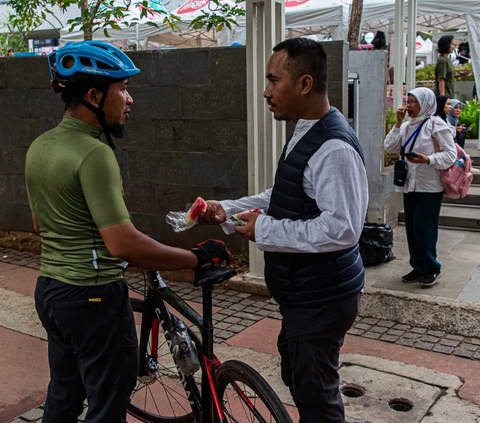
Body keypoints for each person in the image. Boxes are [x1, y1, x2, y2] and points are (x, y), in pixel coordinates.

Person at [25, 41, 229, 423]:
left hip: (51, 291)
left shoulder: (40, 146)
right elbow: (122, 244)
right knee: (107, 404)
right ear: (93, 96)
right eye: (122, 89)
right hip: (94, 296)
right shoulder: (94, 154)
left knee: (64, 396)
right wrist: (195, 256)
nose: (129, 99)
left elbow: (42, 223)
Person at [200, 38, 368, 422]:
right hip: (306, 294)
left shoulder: (334, 148)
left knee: (318, 399)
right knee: (302, 377)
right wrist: (228, 210)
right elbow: (286, 194)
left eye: (274, 81)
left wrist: (267, 230)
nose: (266, 91)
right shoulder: (308, 130)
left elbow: (342, 229)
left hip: (322, 298)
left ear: (305, 84)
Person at [384, 88, 456, 287]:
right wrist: (397, 123)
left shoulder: (436, 125)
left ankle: (432, 267)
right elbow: (389, 147)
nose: (409, 106)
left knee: (424, 227)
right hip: (410, 184)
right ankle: (418, 266)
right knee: (412, 228)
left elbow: (450, 155)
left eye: (414, 101)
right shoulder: (407, 126)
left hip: (429, 185)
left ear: (425, 103)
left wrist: (428, 159)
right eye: (409, 100)